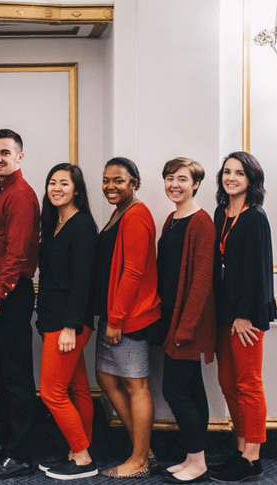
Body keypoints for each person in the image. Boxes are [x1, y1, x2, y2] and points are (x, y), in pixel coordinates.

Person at [209, 152, 276, 483]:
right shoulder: (222, 213)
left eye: (239, 172)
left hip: (246, 318)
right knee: (227, 383)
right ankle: (239, 449)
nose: (231, 177)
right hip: (224, 315)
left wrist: (245, 315)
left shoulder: (255, 217)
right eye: (226, 172)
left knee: (249, 384)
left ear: (251, 179)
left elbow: (259, 273)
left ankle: (252, 458)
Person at [0, 129, 40, 480]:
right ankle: (6, 441)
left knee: (16, 376)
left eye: (5, 152)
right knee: (1, 373)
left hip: (10, 295)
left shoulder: (19, 195)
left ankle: (21, 454)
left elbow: (17, 255)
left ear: (20, 156)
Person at [94, 157, 161, 479]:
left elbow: (133, 272)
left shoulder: (137, 215)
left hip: (130, 316)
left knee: (137, 385)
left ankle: (139, 460)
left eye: (119, 180)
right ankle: (143, 448)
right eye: (106, 180)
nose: (111, 186)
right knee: (106, 377)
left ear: (134, 182)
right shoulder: (119, 212)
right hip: (113, 311)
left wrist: (116, 319)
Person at [36, 163, 99, 481]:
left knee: (52, 392)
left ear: (77, 189)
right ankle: (78, 450)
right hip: (53, 320)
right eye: (52, 182)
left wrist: (70, 326)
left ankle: (83, 457)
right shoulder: (54, 224)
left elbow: (82, 282)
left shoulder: (83, 226)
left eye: (64, 183)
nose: (56, 187)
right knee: (77, 390)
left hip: (69, 325)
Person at [155, 158, 216, 485]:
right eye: (169, 178)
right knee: (191, 389)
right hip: (171, 320)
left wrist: (186, 327)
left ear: (195, 184)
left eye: (182, 179)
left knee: (175, 390)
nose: (174, 184)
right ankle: (195, 457)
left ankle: (199, 462)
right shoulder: (171, 219)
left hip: (187, 323)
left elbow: (202, 281)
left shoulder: (202, 222)